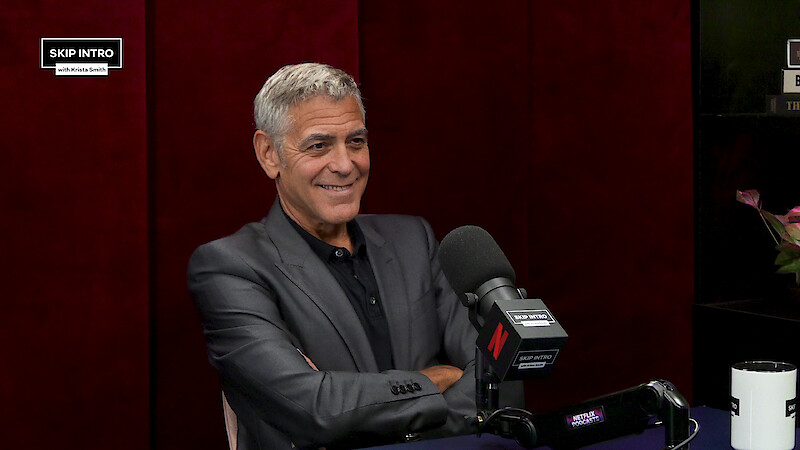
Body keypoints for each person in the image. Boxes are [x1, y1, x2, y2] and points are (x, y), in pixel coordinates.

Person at [188, 63, 514, 449]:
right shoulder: (230, 267)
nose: (345, 165)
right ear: (269, 154)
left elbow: (500, 379)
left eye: (356, 141)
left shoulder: (414, 239)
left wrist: (373, 416)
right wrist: (436, 380)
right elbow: (316, 407)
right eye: (318, 145)